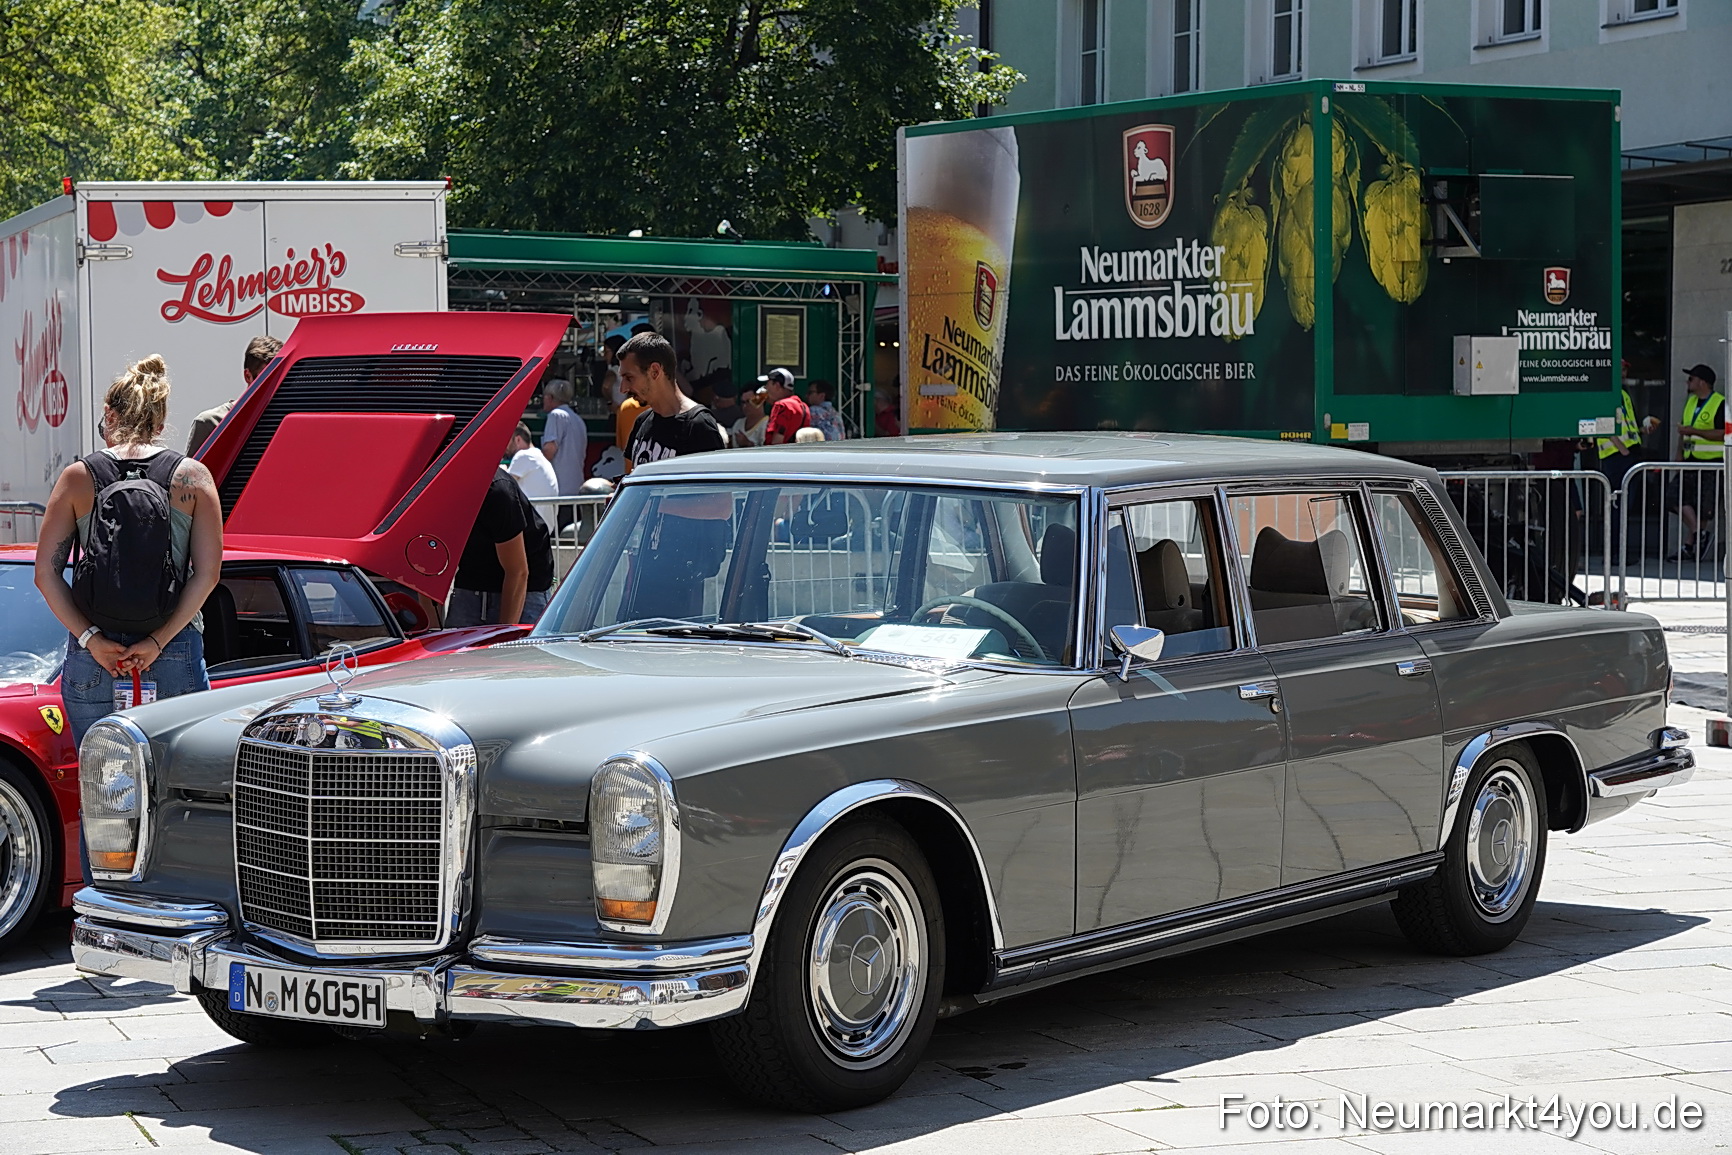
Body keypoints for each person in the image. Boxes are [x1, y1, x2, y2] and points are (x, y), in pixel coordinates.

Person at [37, 355, 223, 748]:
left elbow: (46, 573)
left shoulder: (78, 477)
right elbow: (207, 574)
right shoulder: (192, 478)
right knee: (178, 789)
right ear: (160, 422)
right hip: (172, 648)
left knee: (105, 790)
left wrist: (92, 640)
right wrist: (157, 642)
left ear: (109, 414)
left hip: (96, 653)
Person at [448, 466, 555, 626]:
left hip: (525, 591)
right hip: (471, 586)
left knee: (515, 650)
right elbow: (427, 572)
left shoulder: (498, 490)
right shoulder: (431, 489)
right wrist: (431, 630)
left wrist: (504, 632)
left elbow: (518, 572)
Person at [621, 331, 727, 467]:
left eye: (629, 378)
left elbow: (714, 486)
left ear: (655, 371)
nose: (623, 388)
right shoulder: (642, 422)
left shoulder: (698, 425)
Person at [186, 334, 282, 455]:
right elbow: (190, 473)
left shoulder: (290, 423)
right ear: (248, 376)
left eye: (281, 377)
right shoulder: (209, 423)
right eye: (267, 378)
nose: (275, 385)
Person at [1668, 363, 1725, 562]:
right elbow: (1683, 430)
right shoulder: (1690, 402)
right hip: (1689, 461)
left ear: (1702, 382)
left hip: (1711, 463)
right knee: (1673, 497)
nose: (1688, 382)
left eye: (1691, 378)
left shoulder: (1720, 403)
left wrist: (1695, 432)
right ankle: (1699, 534)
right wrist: (1678, 453)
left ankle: (1689, 547)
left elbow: (1724, 433)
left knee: (1702, 508)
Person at [505, 422, 559, 531]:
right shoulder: (538, 455)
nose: (505, 446)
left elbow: (505, 485)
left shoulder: (523, 455)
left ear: (518, 439)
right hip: (543, 525)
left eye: (507, 441)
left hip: (531, 526)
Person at [539, 378, 588, 495]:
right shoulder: (578, 419)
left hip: (559, 489)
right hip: (576, 488)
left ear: (550, 397)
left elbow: (549, 451)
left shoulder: (556, 415)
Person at [759, 368, 810, 445]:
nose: (766, 388)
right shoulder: (803, 406)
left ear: (776, 386)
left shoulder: (781, 406)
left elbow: (777, 442)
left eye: (767, 383)